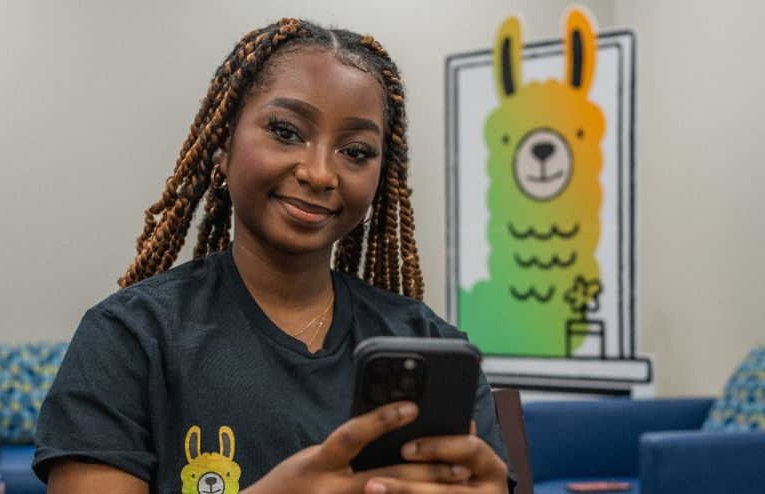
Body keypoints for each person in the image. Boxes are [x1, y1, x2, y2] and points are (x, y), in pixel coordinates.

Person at [33, 18, 513, 494]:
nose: (321, 173)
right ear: (222, 145)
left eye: (357, 151)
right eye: (286, 132)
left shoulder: (427, 342)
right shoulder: (130, 337)